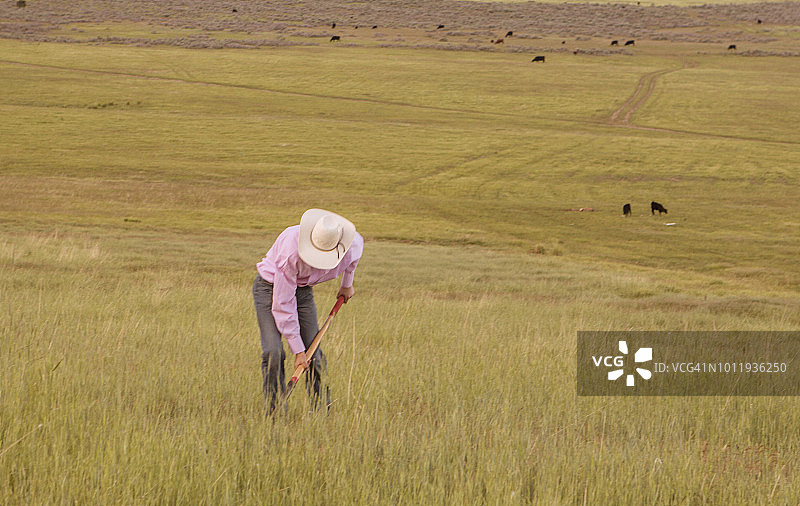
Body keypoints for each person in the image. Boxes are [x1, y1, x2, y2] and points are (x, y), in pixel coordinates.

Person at [253, 209, 363, 414]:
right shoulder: (291, 254)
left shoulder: (352, 244)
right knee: (273, 352)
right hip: (270, 288)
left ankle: (321, 411)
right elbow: (283, 306)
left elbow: (352, 261)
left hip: (303, 291)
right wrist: (298, 350)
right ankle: (275, 412)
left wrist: (347, 285)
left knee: (316, 355)